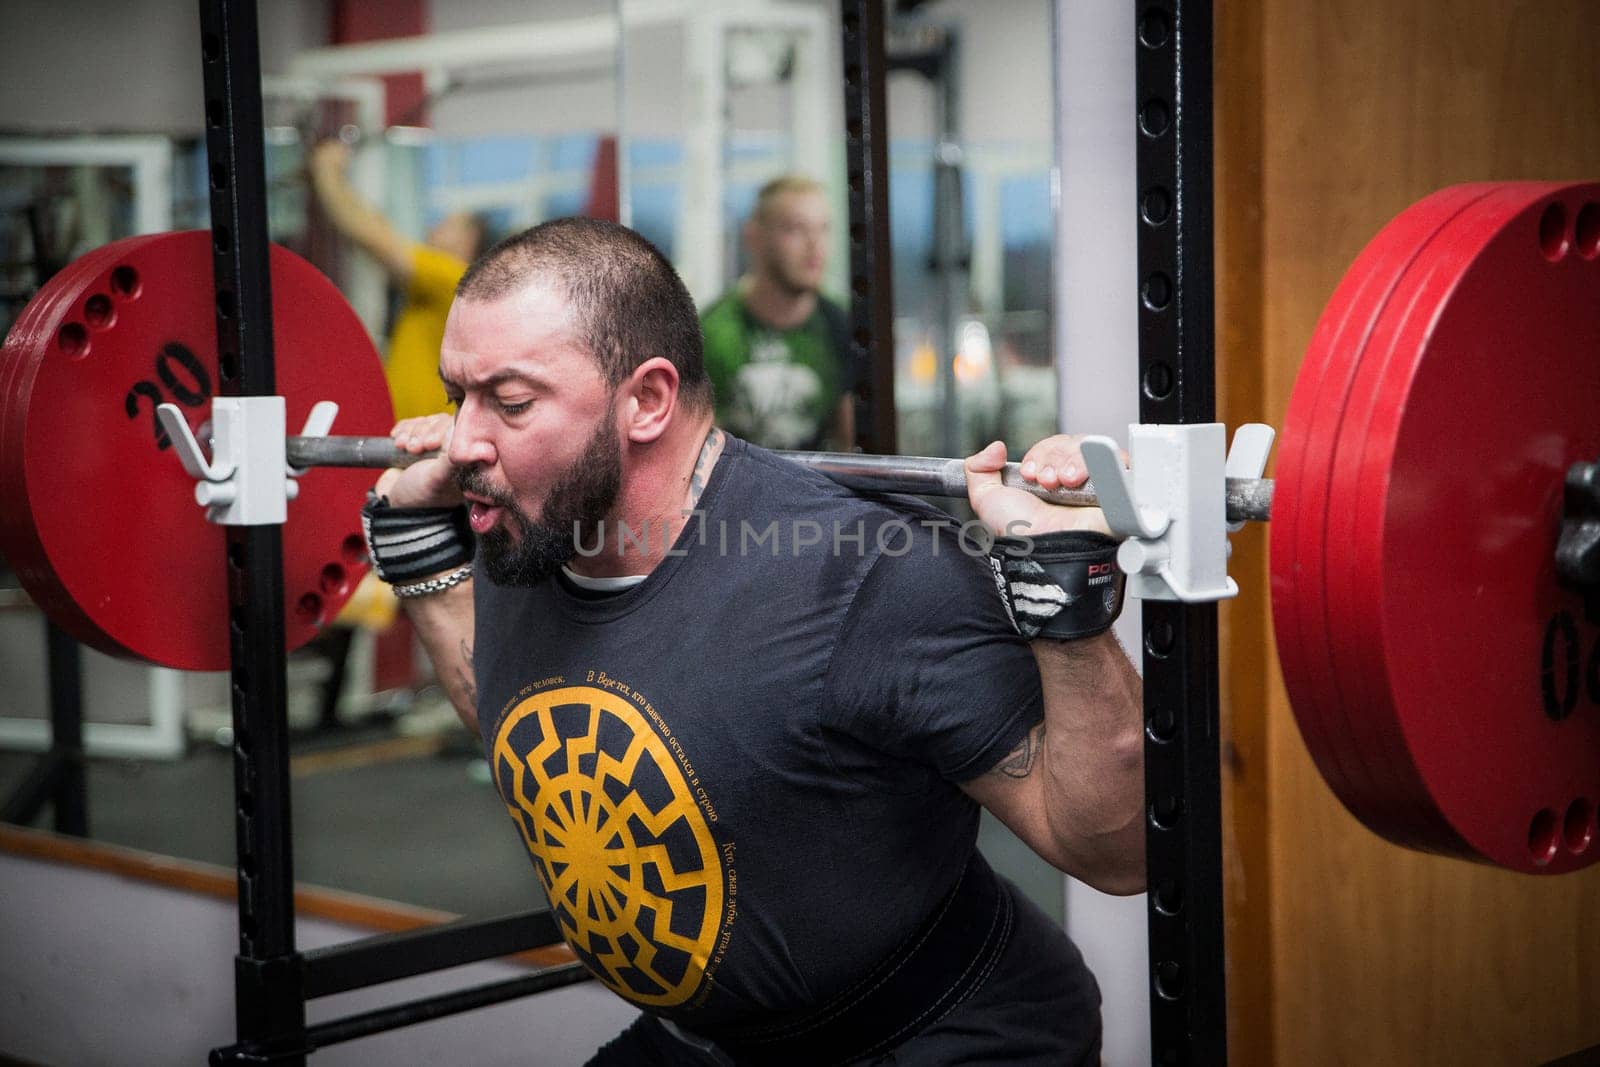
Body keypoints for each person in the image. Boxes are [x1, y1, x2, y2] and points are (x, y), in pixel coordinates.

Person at [365, 217, 1144, 1065]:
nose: (467, 439)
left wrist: (1067, 613)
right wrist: (424, 569)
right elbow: (530, 740)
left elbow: (1118, 850)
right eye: (458, 397)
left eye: (509, 402)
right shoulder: (528, 532)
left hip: (940, 1037)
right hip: (702, 1046)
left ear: (648, 400)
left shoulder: (867, 577)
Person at [308, 138, 489, 420]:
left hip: (418, 440)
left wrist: (326, 171)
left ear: (469, 238)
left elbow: (371, 237)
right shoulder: (442, 282)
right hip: (411, 434)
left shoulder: (452, 275)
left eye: (447, 223)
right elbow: (378, 227)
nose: (433, 228)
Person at [700, 175, 856, 451]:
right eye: (795, 229)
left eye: (823, 229)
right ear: (755, 237)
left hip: (817, 488)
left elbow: (853, 442)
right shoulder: (714, 330)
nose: (815, 245)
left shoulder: (840, 327)